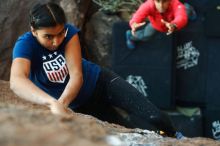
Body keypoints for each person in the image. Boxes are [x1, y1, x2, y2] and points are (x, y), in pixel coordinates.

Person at [10, 2, 183, 139]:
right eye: (48, 36)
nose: (56, 41)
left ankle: (177, 137)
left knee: (155, 117)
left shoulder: (69, 33)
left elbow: (76, 74)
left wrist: (60, 104)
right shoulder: (25, 45)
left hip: (101, 82)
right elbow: (17, 81)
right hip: (82, 106)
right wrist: (51, 103)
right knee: (128, 132)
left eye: (60, 33)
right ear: (34, 31)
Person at [126, 0, 197, 49]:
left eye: (164, 1)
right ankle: (130, 36)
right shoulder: (148, 5)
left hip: (173, 24)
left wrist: (174, 24)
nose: (161, 6)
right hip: (156, 26)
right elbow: (138, 14)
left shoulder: (175, 3)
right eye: (158, 1)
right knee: (146, 35)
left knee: (185, 11)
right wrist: (134, 23)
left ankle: (190, 9)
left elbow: (181, 17)